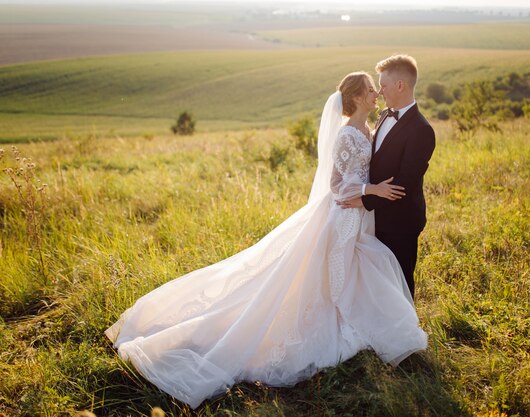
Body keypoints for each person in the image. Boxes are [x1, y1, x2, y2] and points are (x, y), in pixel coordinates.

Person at [105, 71, 427, 409]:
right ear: (358, 97)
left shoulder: (369, 129)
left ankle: (354, 318)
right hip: (345, 217)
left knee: (358, 268)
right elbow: (337, 185)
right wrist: (370, 190)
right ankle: (342, 320)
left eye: (378, 88)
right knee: (338, 271)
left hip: (362, 216)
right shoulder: (347, 134)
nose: (377, 93)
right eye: (371, 89)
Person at [340, 55, 436, 299]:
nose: (379, 92)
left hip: (400, 221)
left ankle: (405, 333)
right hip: (373, 218)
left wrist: (363, 200)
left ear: (400, 86)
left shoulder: (422, 131)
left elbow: (403, 185)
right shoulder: (384, 115)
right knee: (376, 283)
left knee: (400, 281)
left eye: (382, 85)